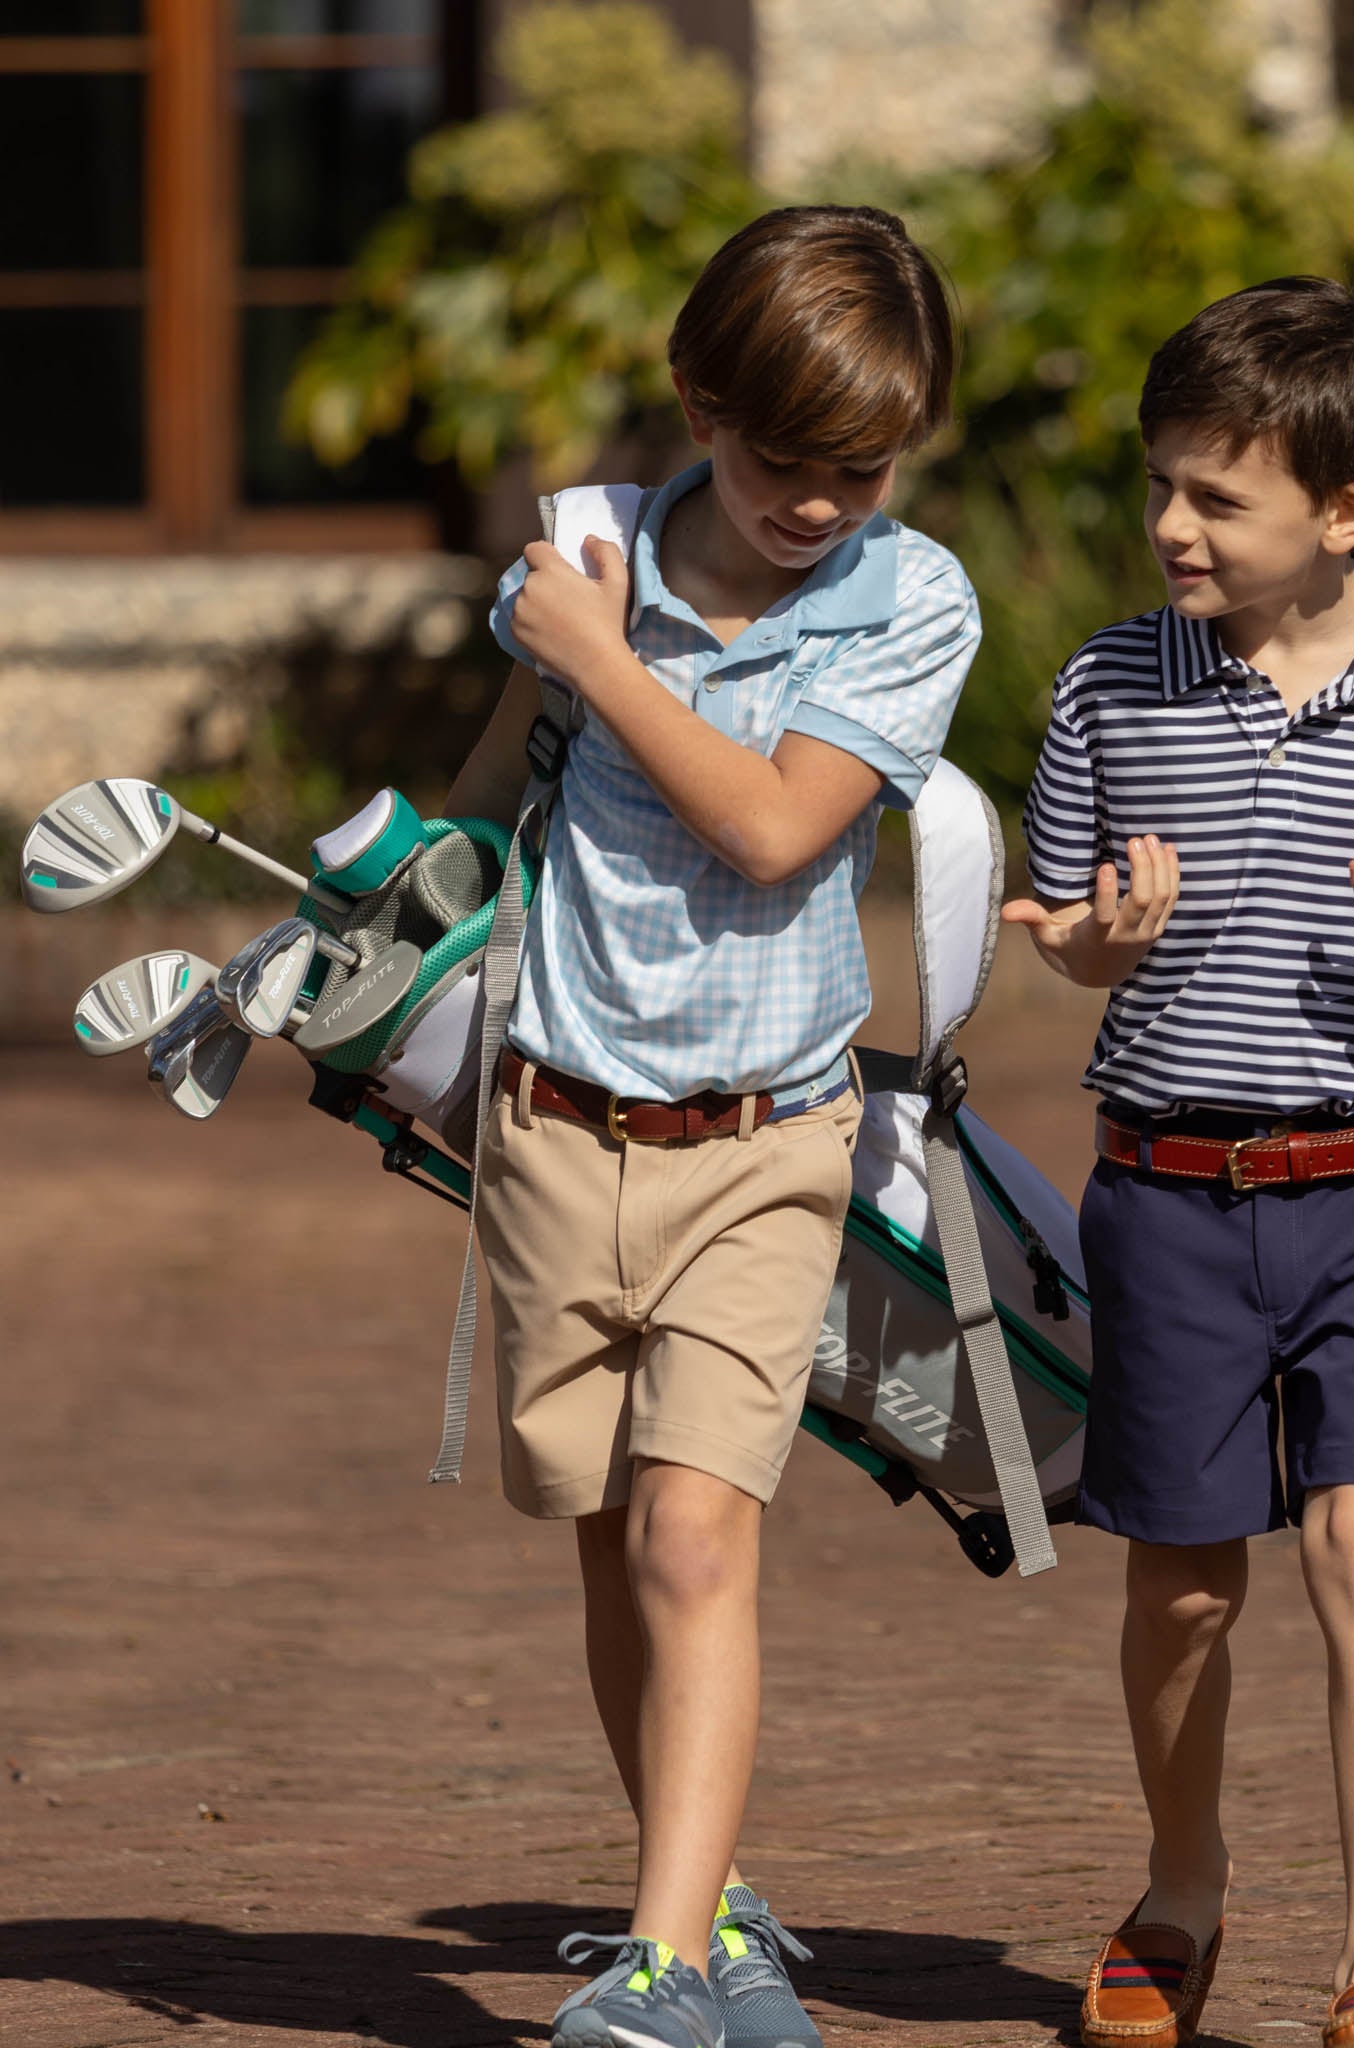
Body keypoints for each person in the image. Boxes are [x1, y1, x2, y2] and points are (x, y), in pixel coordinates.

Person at [445, 205, 980, 2048]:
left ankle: (662, 1974)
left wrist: (602, 660)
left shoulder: (912, 599)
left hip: (766, 1139)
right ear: (698, 398)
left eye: (864, 464)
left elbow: (772, 829)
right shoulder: (589, 547)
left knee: (696, 1537)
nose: (820, 501)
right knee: (606, 1533)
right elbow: (483, 798)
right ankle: (712, 1906)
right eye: (781, 460)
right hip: (554, 1127)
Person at [1004, 278, 1354, 2048]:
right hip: (1163, 1195)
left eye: (1216, 498)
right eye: (1161, 483)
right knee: (1179, 1581)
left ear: (1349, 513)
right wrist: (1094, 946)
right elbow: (1065, 933)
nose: (1170, 525)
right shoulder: (1106, 685)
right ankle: (1182, 1888)